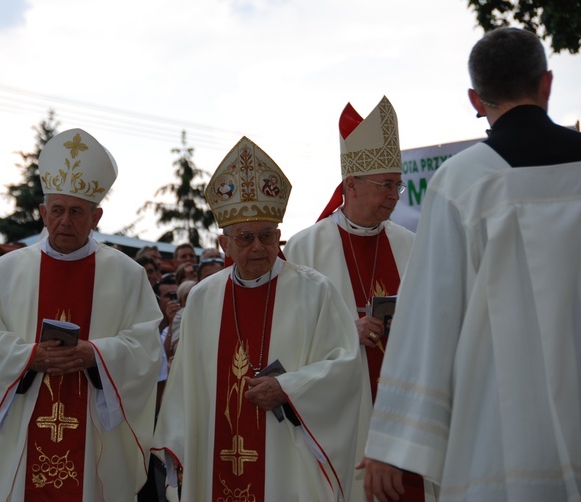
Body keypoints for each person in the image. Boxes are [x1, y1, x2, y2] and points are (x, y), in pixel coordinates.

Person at [363, 28, 581, 502]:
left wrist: (391, 441)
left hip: (506, 434)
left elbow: (429, 317)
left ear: (475, 98)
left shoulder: (462, 182)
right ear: (547, 83)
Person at [0, 128, 163, 501]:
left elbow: (145, 348)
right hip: (22, 426)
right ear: (42, 213)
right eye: (58, 210)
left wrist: (94, 354)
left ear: (96, 215)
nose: (66, 221)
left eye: (77, 211)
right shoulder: (7, 270)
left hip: (92, 434)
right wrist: (29, 356)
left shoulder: (127, 274)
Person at [152, 136, 362, 501]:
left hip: (287, 460)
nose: (258, 247)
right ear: (224, 246)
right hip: (215, 456)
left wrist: (290, 388)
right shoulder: (203, 298)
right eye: (246, 238)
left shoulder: (315, 291)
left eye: (267, 236)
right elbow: (186, 384)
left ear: (279, 237)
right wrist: (176, 444)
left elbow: (345, 367)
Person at [283, 96, 431, 501]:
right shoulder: (303, 249)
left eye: (397, 185)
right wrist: (347, 333)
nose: (394, 195)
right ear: (350, 184)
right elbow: (288, 342)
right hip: (342, 421)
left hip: (406, 416)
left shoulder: (412, 245)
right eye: (385, 185)